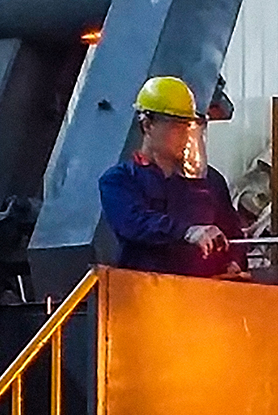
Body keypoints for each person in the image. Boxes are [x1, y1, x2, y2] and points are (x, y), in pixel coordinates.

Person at [99, 76, 248, 278]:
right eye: (176, 126)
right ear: (147, 125)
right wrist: (187, 232)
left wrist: (234, 261)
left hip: (204, 292)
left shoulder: (210, 181)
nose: (185, 135)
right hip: (146, 291)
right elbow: (135, 222)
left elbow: (233, 233)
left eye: (189, 127)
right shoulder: (119, 180)